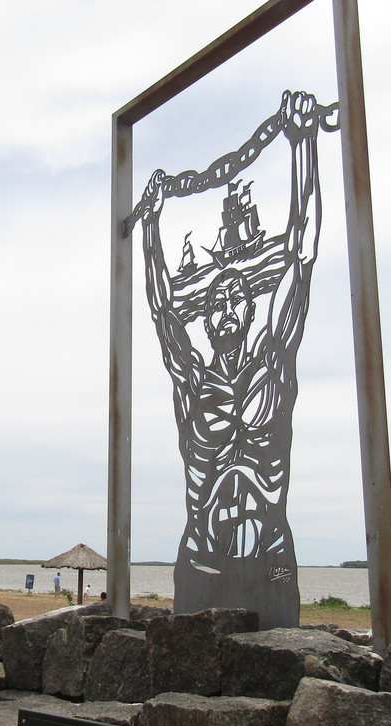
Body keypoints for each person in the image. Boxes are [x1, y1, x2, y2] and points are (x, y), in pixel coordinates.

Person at [139, 90, 326, 627]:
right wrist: (151, 227)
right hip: (202, 558)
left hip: (270, 559)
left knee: (282, 674)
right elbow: (161, 311)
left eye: (236, 298)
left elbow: (301, 255)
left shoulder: (273, 365)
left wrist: (303, 146)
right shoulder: (194, 383)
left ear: (249, 310)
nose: (224, 307)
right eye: (216, 300)